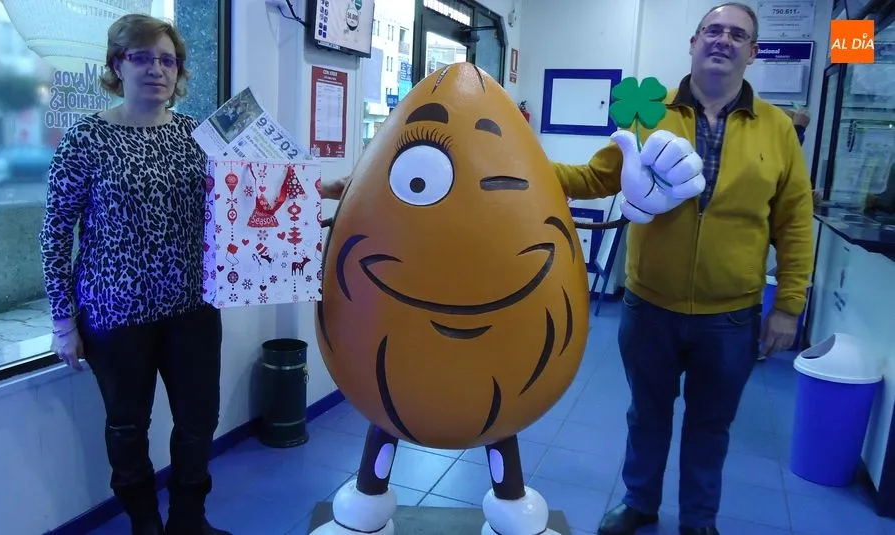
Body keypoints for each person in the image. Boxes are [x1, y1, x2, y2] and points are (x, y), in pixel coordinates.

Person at [325, 4, 813, 535]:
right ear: (693, 42)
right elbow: (592, 177)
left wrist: (788, 305)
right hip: (652, 303)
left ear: (753, 51)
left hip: (731, 312)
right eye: (713, 31)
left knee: (711, 425)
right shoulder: (651, 116)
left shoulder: (776, 130)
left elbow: (794, 221)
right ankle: (640, 503)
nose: (723, 41)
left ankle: (699, 520)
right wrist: (497, 164)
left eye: (737, 35)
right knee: (647, 416)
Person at [39, 14, 230, 535]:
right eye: (141, 57)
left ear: (178, 72)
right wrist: (63, 322)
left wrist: (320, 192)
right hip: (113, 315)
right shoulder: (86, 140)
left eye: (167, 60)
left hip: (192, 308)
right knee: (128, 428)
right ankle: (145, 525)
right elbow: (55, 235)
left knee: (198, 424)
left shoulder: (200, 136)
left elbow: (254, 193)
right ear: (117, 65)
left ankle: (189, 523)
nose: (156, 69)